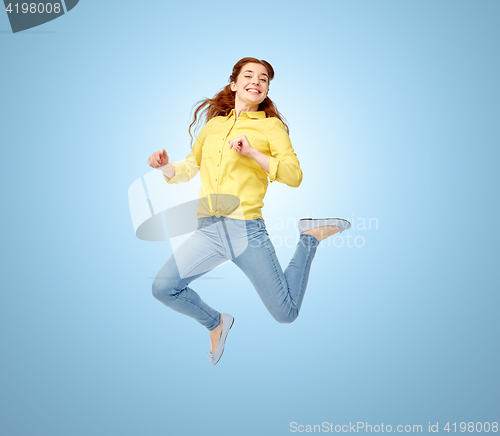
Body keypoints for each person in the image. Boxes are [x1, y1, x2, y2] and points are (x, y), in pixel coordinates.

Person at [147, 57, 351, 365]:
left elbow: (294, 176)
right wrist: (166, 167)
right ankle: (216, 322)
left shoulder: (271, 127)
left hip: (245, 231)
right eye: (249, 75)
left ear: (266, 90)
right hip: (208, 229)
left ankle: (309, 237)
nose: (256, 81)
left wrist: (253, 152)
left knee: (286, 314)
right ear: (234, 84)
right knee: (163, 288)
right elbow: (190, 166)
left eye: (264, 79)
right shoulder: (214, 126)